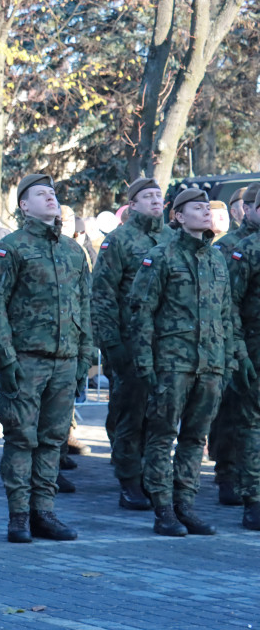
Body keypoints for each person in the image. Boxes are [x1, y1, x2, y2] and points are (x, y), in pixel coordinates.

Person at [0, 174, 91, 543]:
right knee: (21, 439)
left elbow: (84, 306)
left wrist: (83, 357)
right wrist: (6, 359)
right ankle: (18, 517)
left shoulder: (72, 251)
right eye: (41, 195)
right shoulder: (10, 248)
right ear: (24, 206)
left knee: (52, 440)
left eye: (54, 194)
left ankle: (44, 511)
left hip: (64, 359)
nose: (51, 199)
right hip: (26, 359)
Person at [128, 188, 236, 537]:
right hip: (172, 364)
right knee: (161, 436)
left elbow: (226, 315)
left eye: (208, 207)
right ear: (178, 216)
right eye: (196, 207)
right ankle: (163, 509)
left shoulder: (216, 259)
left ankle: (185, 505)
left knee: (195, 437)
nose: (206, 212)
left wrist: (229, 359)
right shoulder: (161, 256)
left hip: (210, 364)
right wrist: (145, 362)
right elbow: (141, 312)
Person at [91, 177, 169, 512]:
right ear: (133, 204)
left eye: (158, 195)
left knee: (160, 415)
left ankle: (154, 478)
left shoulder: (172, 239)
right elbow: (103, 296)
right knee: (130, 414)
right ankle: (129, 480)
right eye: (147, 196)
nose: (155, 201)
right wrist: (112, 344)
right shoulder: (119, 240)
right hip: (129, 341)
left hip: (166, 345)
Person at [209, 182, 260, 505]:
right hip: (243, 345)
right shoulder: (232, 247)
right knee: (233, 415)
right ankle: (229, 474)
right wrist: (234, 349)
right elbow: (228, 303)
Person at [226, 195, 260, 530]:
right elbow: (230, 306)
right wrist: (239, 352)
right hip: (254, 349)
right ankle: (253, 499)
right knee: (252, 427)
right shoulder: (247, 249)